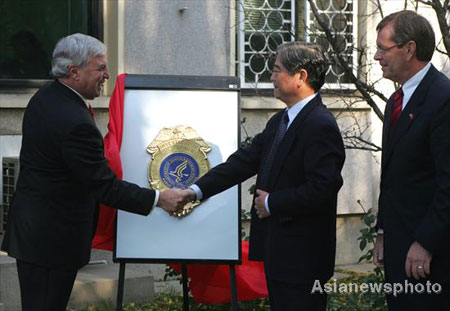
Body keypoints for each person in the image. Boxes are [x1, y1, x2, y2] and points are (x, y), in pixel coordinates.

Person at [1, 33, 190, 311]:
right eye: (100, 67)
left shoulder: (46, 97)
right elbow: (104, 186)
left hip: (35, 234)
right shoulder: (74, 121)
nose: (107, 74)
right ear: (73, 71)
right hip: (52, 242)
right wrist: (159, 199)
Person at [184, 42, 345, 311]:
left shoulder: (319, 124)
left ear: (301, 77)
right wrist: (195, 191)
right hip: (279, 254)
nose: (271, 76)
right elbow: (242, 163)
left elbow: (323, 188)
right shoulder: (280, 121)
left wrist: (273, 203)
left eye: (277, 70)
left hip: (302, 259)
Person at [373, 10, 450, 310]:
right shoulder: (396, 100)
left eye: (383, 48)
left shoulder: (442, 99)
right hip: (398, 245)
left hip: (429, 254)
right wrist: (382, 231)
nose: (377, 56)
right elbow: (391, 177)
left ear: (409, 49)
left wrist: (426, 242)